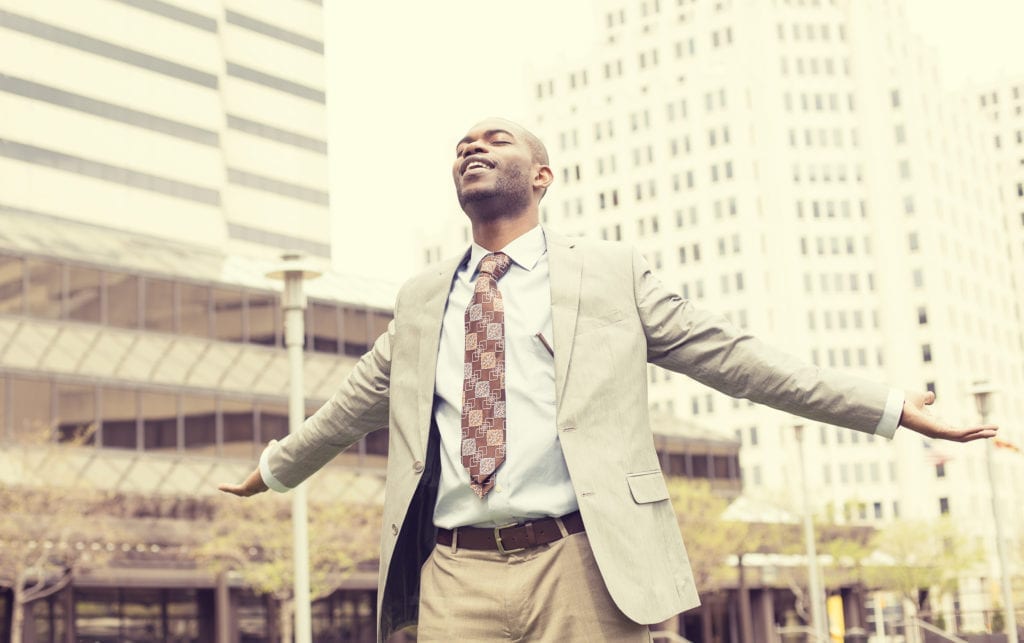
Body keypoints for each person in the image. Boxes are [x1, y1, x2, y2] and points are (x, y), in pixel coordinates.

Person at [220, 117, 997, 642]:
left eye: (494, 141)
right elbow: (357, 400)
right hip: (455, 571)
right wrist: (274, 467)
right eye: (462, 146)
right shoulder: (424, 295)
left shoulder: (611, 273)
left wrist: (890, 407)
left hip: (582, 562)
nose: (471, 149)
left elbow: (735, 357)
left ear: (542, 174)